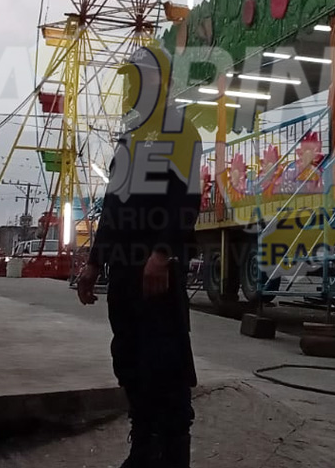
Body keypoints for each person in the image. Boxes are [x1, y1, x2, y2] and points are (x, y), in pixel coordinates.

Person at [77, 43, 202, 467]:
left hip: (157, 272)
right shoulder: (129, 139)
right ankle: (143, 447)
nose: (133, 86)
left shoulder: (181, 131)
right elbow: (112, 208)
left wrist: (163, 253)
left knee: (165, 361)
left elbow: (187, 200)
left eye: (141, 77)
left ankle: (173, 454)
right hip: (124, 273)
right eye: (130, 79)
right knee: (128, 358)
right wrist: (94, 262)